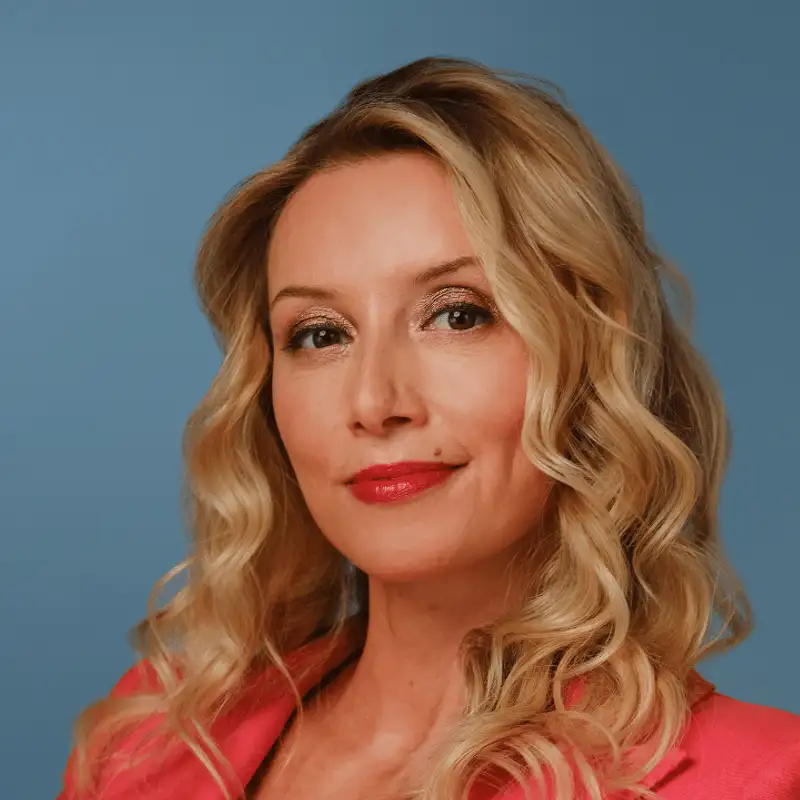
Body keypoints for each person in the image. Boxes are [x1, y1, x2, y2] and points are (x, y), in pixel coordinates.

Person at [58, 56, 800, 800]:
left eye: (457, 315)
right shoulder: (143, 744)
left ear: (590, 357)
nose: (374, 401)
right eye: (321, 334)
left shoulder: (763, 777)